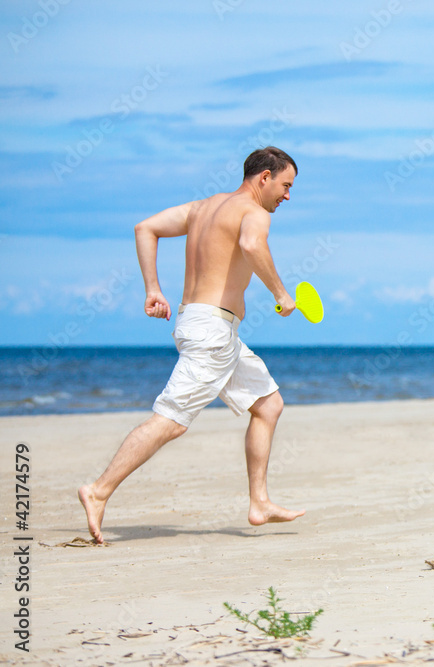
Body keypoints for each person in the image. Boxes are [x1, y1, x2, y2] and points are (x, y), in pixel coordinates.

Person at [78, 146, 306, 544]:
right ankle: (98, 490)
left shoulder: (203, 208)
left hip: (207, 327)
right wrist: (282, 294)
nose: (287, 196)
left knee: (268, 404)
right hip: (211, 334)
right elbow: (253, 246)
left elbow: (144, 228)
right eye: (286, 186)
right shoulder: (252, 213)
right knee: (170, 420)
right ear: (264, 177)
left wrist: (153, 289)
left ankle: (259, 502)